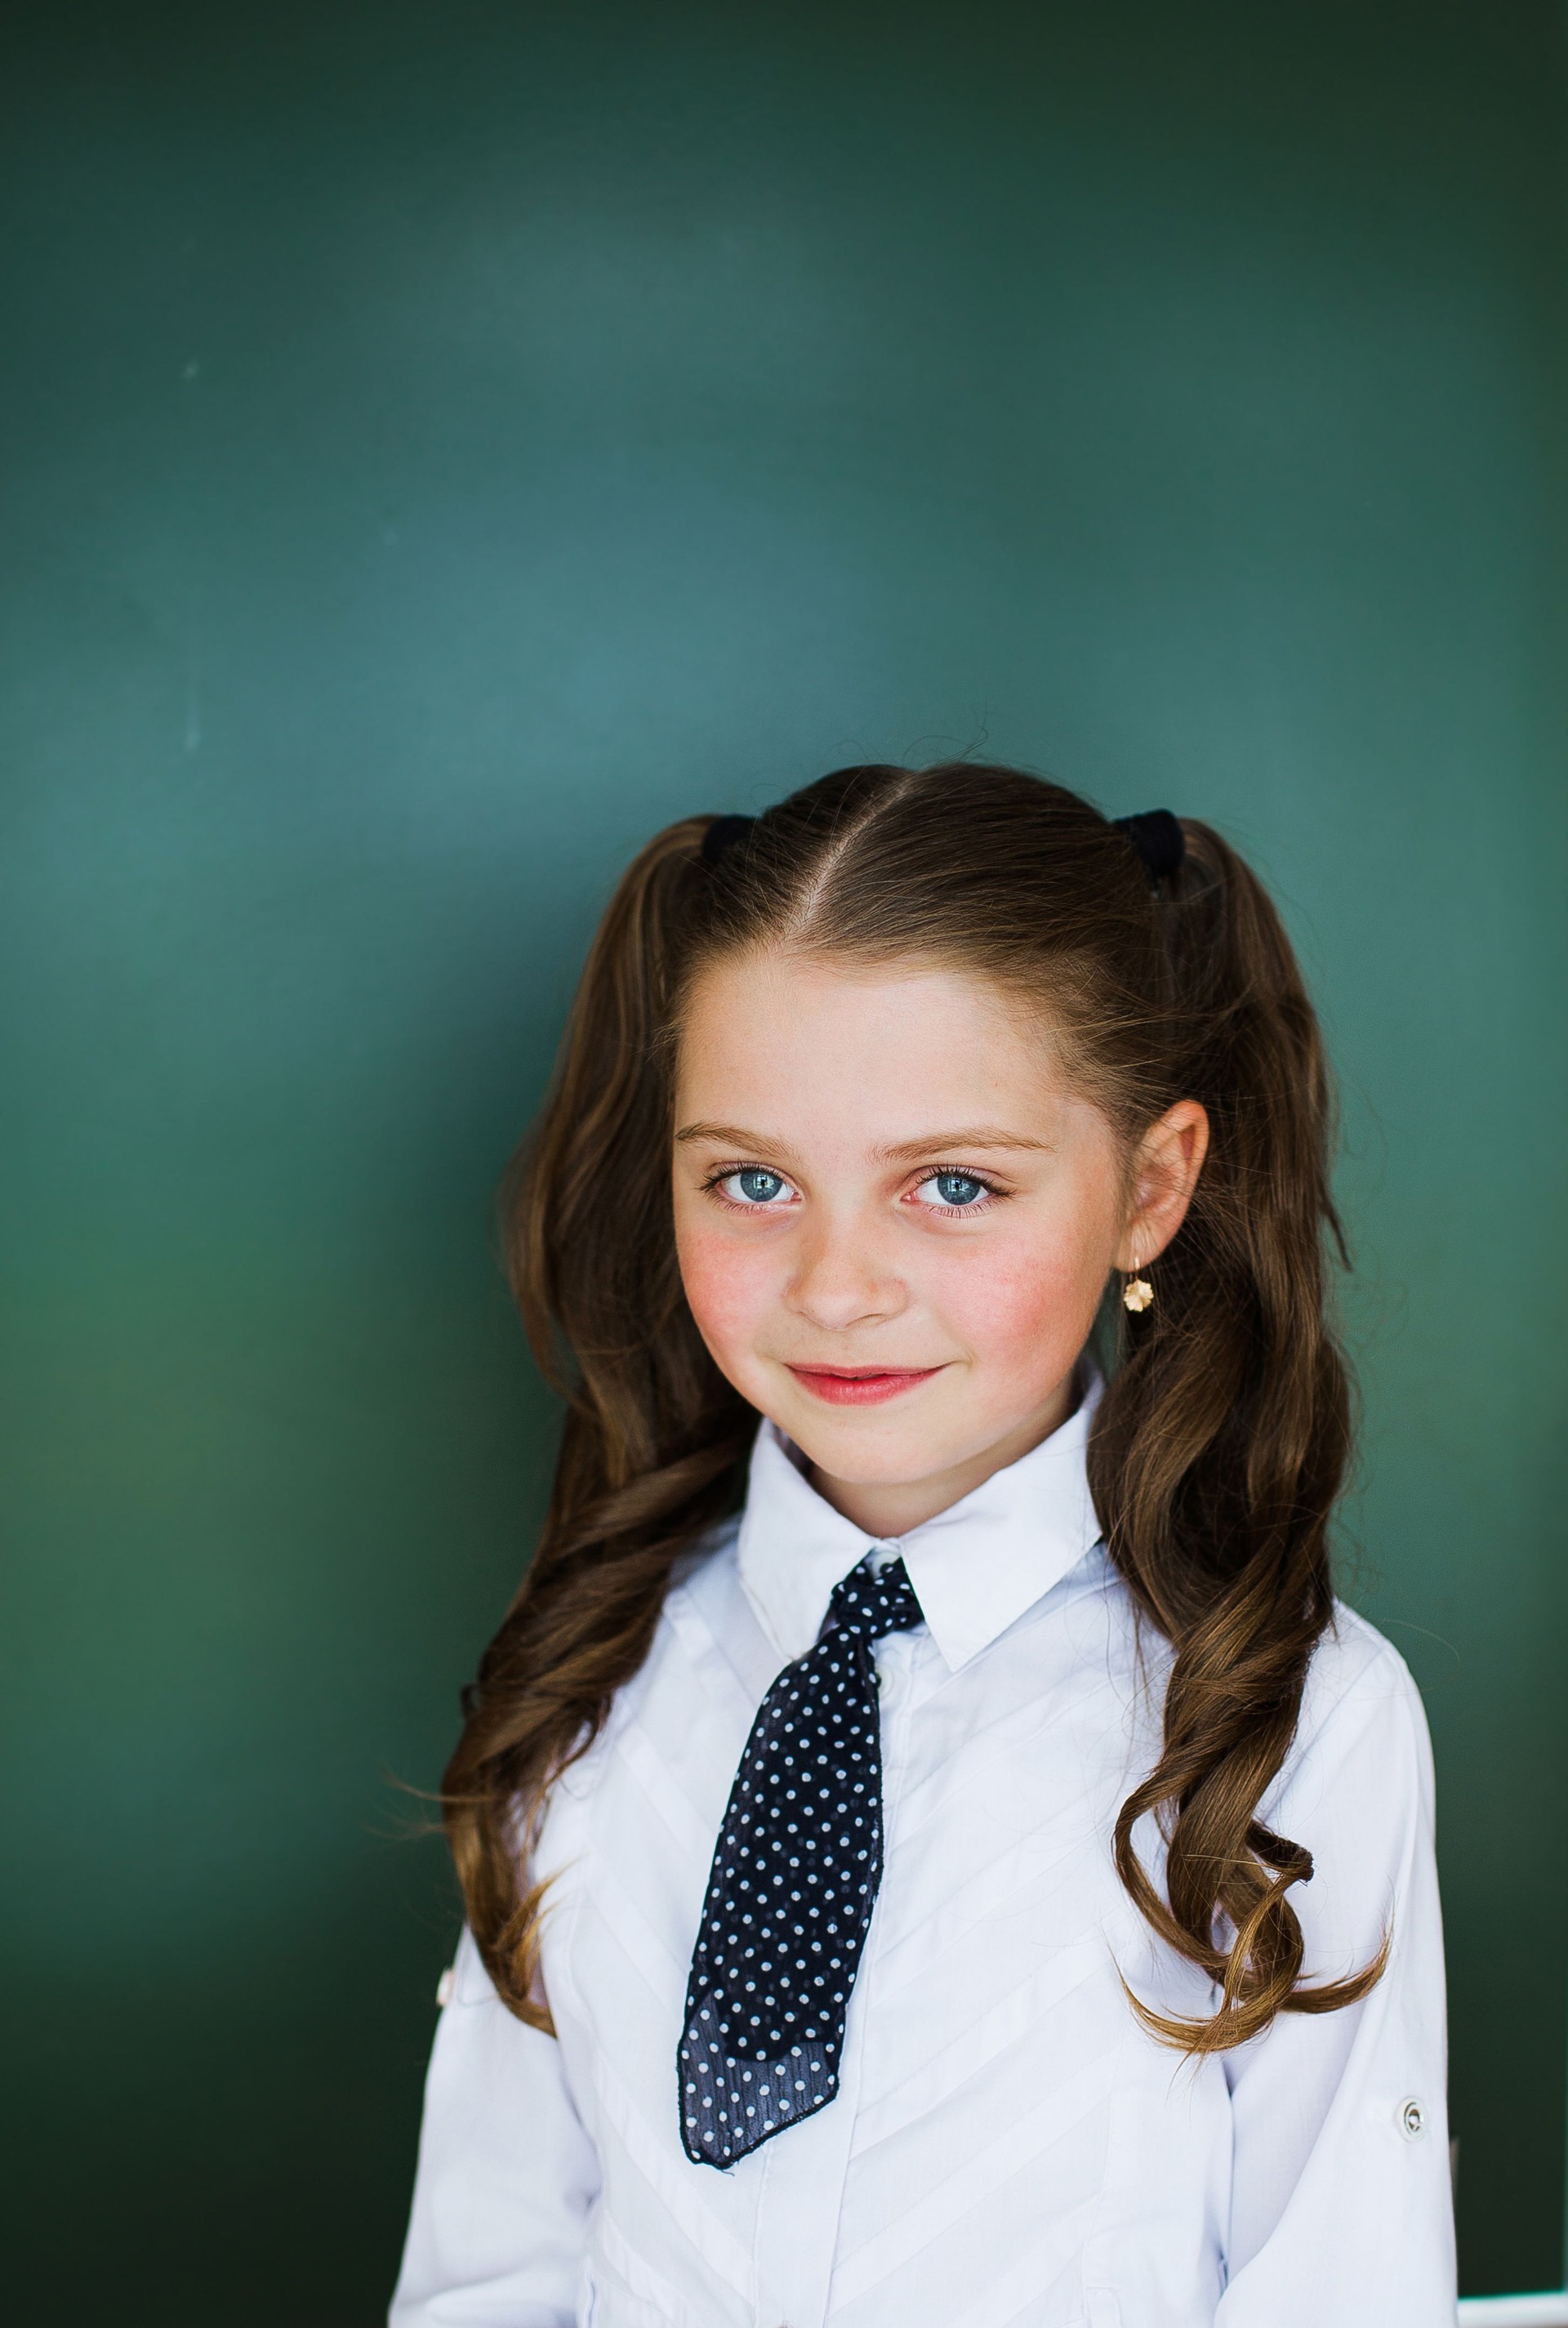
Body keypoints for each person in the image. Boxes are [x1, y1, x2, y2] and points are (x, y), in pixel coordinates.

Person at [390, 761, 1455, 2327]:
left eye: (951, 1184)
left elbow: (1340, 2288)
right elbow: (491, 2272)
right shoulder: (595, 1676)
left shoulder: (1293, 1724)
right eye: (752, 1180)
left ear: (1150, 1189)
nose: (836, 1282)